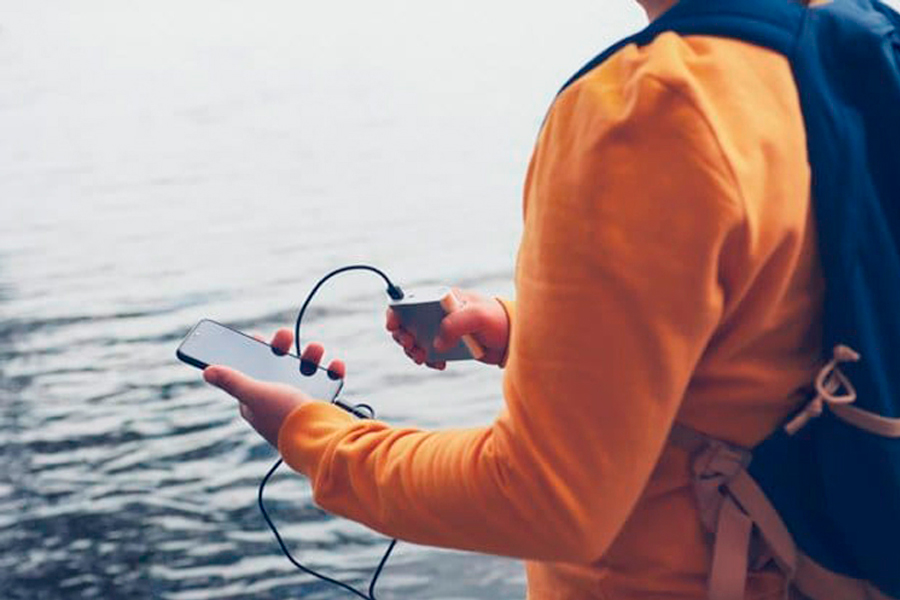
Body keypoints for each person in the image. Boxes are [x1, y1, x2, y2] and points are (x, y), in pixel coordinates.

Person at [202, 0, 825, 596]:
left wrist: (314, 436)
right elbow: (778, 343)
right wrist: (533, 334)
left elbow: (548, 499)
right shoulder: (848, 58)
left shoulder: (648, 109)